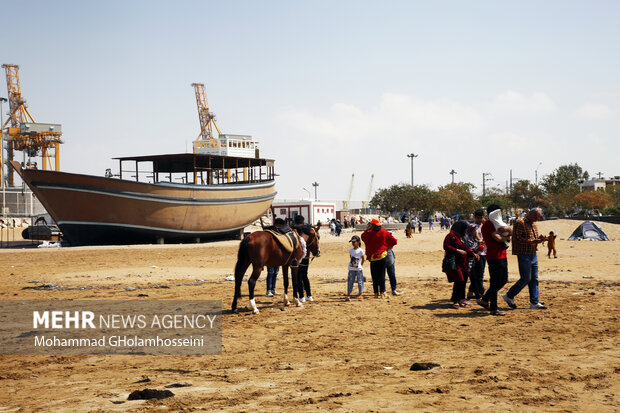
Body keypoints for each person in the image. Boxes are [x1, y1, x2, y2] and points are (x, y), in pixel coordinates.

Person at [502, 208, 547, 310]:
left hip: (533, 253)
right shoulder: (520, 222)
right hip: (523, 253)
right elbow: (518, 239)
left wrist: (540, 238)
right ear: (530, 214)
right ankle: (509, 295)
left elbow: (532, 237)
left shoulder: (533, 224)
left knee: (534, 279)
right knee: (526, 278)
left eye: (538, 218)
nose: (536, 220)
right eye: (535, 217)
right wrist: (534, 241)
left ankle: (534, 302)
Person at [478, 204, 511, 316]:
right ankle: (493, 307)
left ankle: (485, 299)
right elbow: (497, 238)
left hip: (501, 254)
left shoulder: (496, 223)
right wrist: (506, 237)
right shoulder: (488, 224)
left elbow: (505, 235)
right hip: (494, 256)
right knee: (495, 282)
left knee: (503, 280)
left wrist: (506, 234)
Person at [443, 220, 477, 308]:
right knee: (459, 280)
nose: (466, 230)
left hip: (464, 262)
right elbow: (446, 246)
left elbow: (467, 248)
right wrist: (457, 250)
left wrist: (473, 254)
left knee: (464, 280)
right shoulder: (451, 236)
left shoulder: (464, 236)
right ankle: (455, 299)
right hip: (455, 261)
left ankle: (462, 299)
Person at [361, 218, 397, 298]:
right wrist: (388, 246)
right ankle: (383, 292)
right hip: (382, 256)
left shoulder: (369, 233)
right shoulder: (384, 232)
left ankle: (376, 293)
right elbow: (394, 241)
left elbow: (363, 237)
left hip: (373, 258)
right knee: (381, 275)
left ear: (372, 225)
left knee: (374, 276)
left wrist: (367, 230)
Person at [292, 215, 313, 302]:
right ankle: (309, 295)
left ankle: (301, 296)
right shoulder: (307, 229)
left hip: (299, 254)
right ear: (303, 221)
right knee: (305, 275)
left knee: (299, 276)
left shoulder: (295, 229)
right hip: (306, 254)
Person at [467, 209, 487, 300]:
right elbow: (474, 239)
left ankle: (471, 292)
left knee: (479, 273)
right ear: (474, 217)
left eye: (481, 217)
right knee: (478, 274)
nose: (479, 219)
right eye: (477, 218)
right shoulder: (472, 226)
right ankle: (480, 292)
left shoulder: (484, 225)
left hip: (483, 252)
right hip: (476, 252)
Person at [346, 235, 365, 301]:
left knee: (360, 281)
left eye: (354, 242)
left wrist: (360, 265)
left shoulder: (360, 250)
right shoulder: (351, 250)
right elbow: (351, 257)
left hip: (358, 269)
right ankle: (348, 294)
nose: (353, 243)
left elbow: (363, 259)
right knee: (350, 281)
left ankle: (360, 294)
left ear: (358, 242)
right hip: (351, 268)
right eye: (352, 242)